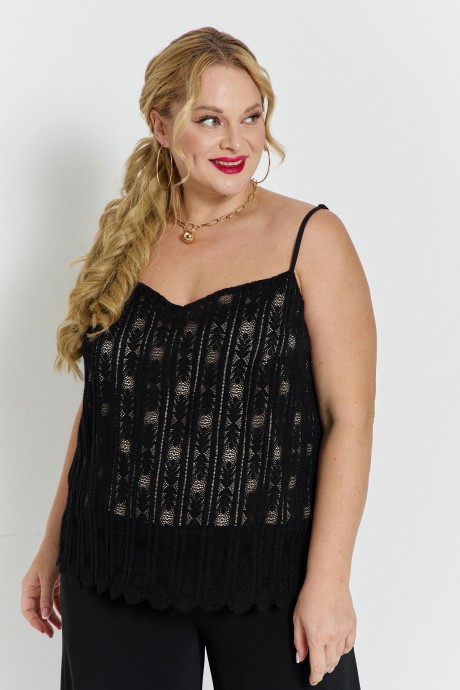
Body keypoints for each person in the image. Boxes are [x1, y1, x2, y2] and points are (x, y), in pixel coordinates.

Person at [21, 26, 376, 690]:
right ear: (162, 126)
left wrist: (330, 580)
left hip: (270, 574)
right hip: (115, 566)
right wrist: (52, 543)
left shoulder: (311, 238)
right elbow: (103, 410)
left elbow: (348, 419)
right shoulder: (125, 235)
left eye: (251, 117)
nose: (237, 142)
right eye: (209, 120)